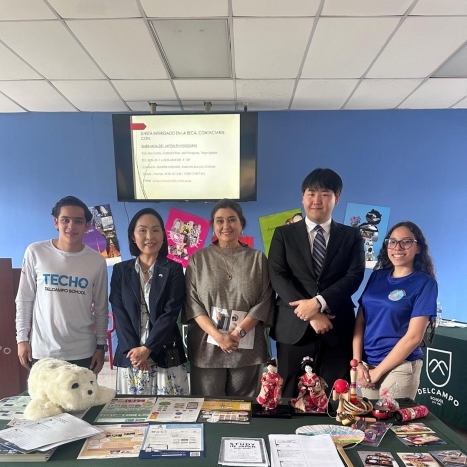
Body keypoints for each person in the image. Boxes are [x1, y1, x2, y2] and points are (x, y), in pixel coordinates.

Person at [268, 168, 365, 397]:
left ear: (337, 198)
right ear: (303, 197)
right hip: (293, 329)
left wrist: (319, 302)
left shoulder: (352, 236)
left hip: (336, 329)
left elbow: (354, 276)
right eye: (311, 193)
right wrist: (310, 313)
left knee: (334, 398)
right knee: (289, 397)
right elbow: (277, 274)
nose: (316, 200)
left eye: (325, 194)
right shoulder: (283, 234)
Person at [183, 199, 274, 397]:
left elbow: (265, 300)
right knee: (207, 406)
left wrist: (237, 334)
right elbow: (192, 303)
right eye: (220, 221)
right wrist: (218, 337)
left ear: (241, 224)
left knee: (246, 408)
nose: (226, 226)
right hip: (207, 347)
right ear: (213, 225)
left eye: (232, 220)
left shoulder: (257, 259)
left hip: (247, 348)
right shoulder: (199, 259)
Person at [16, 196, 108, 373]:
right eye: (65, 220)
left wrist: (100, 346)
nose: (71, 226)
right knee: (42, 394)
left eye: (78, 221)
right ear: (56, 222)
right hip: (43, 351)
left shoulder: (97, 261)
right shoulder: (36, 252)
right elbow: (24, 299)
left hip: (83, 351)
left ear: (87, 226)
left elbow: (101, 308)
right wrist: (22, 339)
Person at [353, 221, 438, 400]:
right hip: (367, 364)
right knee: (369, 418)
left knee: (392, 418)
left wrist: (378, 371)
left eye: (406, 242)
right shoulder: (377, 276)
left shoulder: (425, 283)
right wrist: (357, 363)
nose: (398, 247)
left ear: (418, 248)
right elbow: (360, 321)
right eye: (392, 241)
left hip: (400, 366)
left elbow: (414, 337)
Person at [110, 208, 188, 395]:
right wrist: (135, 351)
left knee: (171, 409)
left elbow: (170, 314)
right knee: (133, 410)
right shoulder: (121, 271)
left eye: (155, 230)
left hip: (165, 354)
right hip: (132, 357)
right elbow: (119, 312)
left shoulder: (174, 270)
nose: (149, 236)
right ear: (133, 236)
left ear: (163, 235)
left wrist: (148, 348)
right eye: (142, 230)